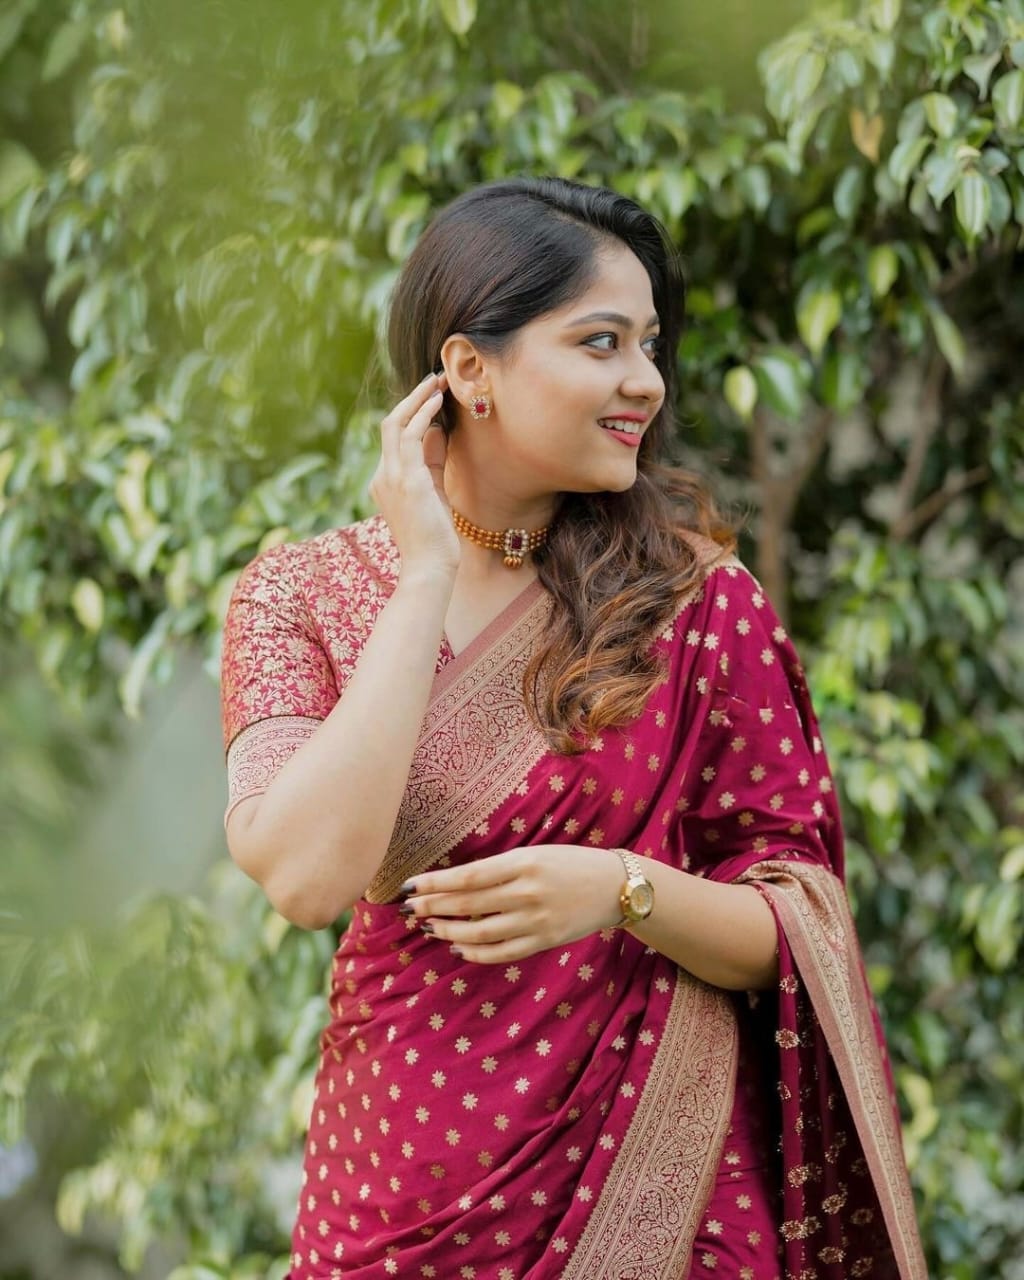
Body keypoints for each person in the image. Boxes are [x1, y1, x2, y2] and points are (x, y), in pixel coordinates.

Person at [219, 177, 926, 1279]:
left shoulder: (697, 606)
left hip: (663, 1187)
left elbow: (802, 920)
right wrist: (423, 581)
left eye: (648, 345)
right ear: (468, 370)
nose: (643, 381)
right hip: (400, 1193)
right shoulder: (300, 594)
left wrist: (621, 888)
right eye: (601, 343)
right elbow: (308, 876)